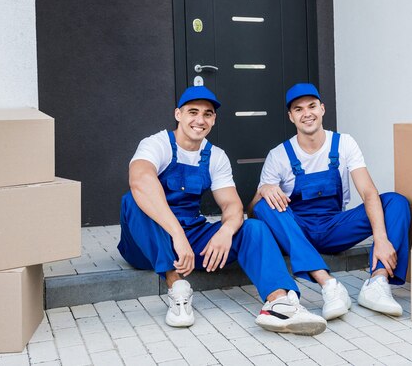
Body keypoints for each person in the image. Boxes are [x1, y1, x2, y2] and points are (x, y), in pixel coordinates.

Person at [118, 85, 326, 335]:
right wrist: (177, 235)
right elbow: (139, 179)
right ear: (178, 114)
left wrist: (226, 231)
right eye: (192, 112)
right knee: (133, 200)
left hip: (191, 239)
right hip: (146, 243)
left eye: (207, 114)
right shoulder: (157, 144)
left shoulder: (215, 156)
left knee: (253, 227)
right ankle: (177, 288)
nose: (199, 119)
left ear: (213, 119)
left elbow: (232, 205)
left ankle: (279, 303)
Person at [249, 83, 410, 320]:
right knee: (264, 204)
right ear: (291, 116)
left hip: (335, 227)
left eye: (312, 106)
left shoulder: (344, 143)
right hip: (297, 231)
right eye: (299, 109)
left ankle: (378, 282)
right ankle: (330, 286)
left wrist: (381, 238)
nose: (307, 113)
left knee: (396, 202)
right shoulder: (279, 155)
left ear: (322, 109)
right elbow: (252, 211)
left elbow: (368, 192)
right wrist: (264, 189)